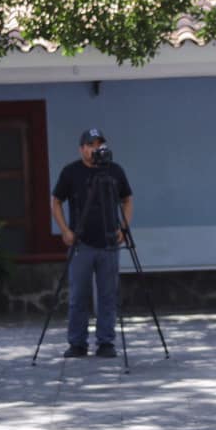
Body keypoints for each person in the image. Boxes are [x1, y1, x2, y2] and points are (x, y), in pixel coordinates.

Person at [51, 128, 134, 358]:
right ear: (82, 148)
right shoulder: (71, 172)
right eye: (90, 145)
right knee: (78, 295)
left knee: (108, 295)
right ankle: (77, 343)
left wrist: (124, 227)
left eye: (99, 144)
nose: (95, 149)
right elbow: (56, 201)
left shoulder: (114, 171)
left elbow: (127, 199)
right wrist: (65, 230)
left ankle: (106, 342)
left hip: (109, 242)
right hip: (81, 243)